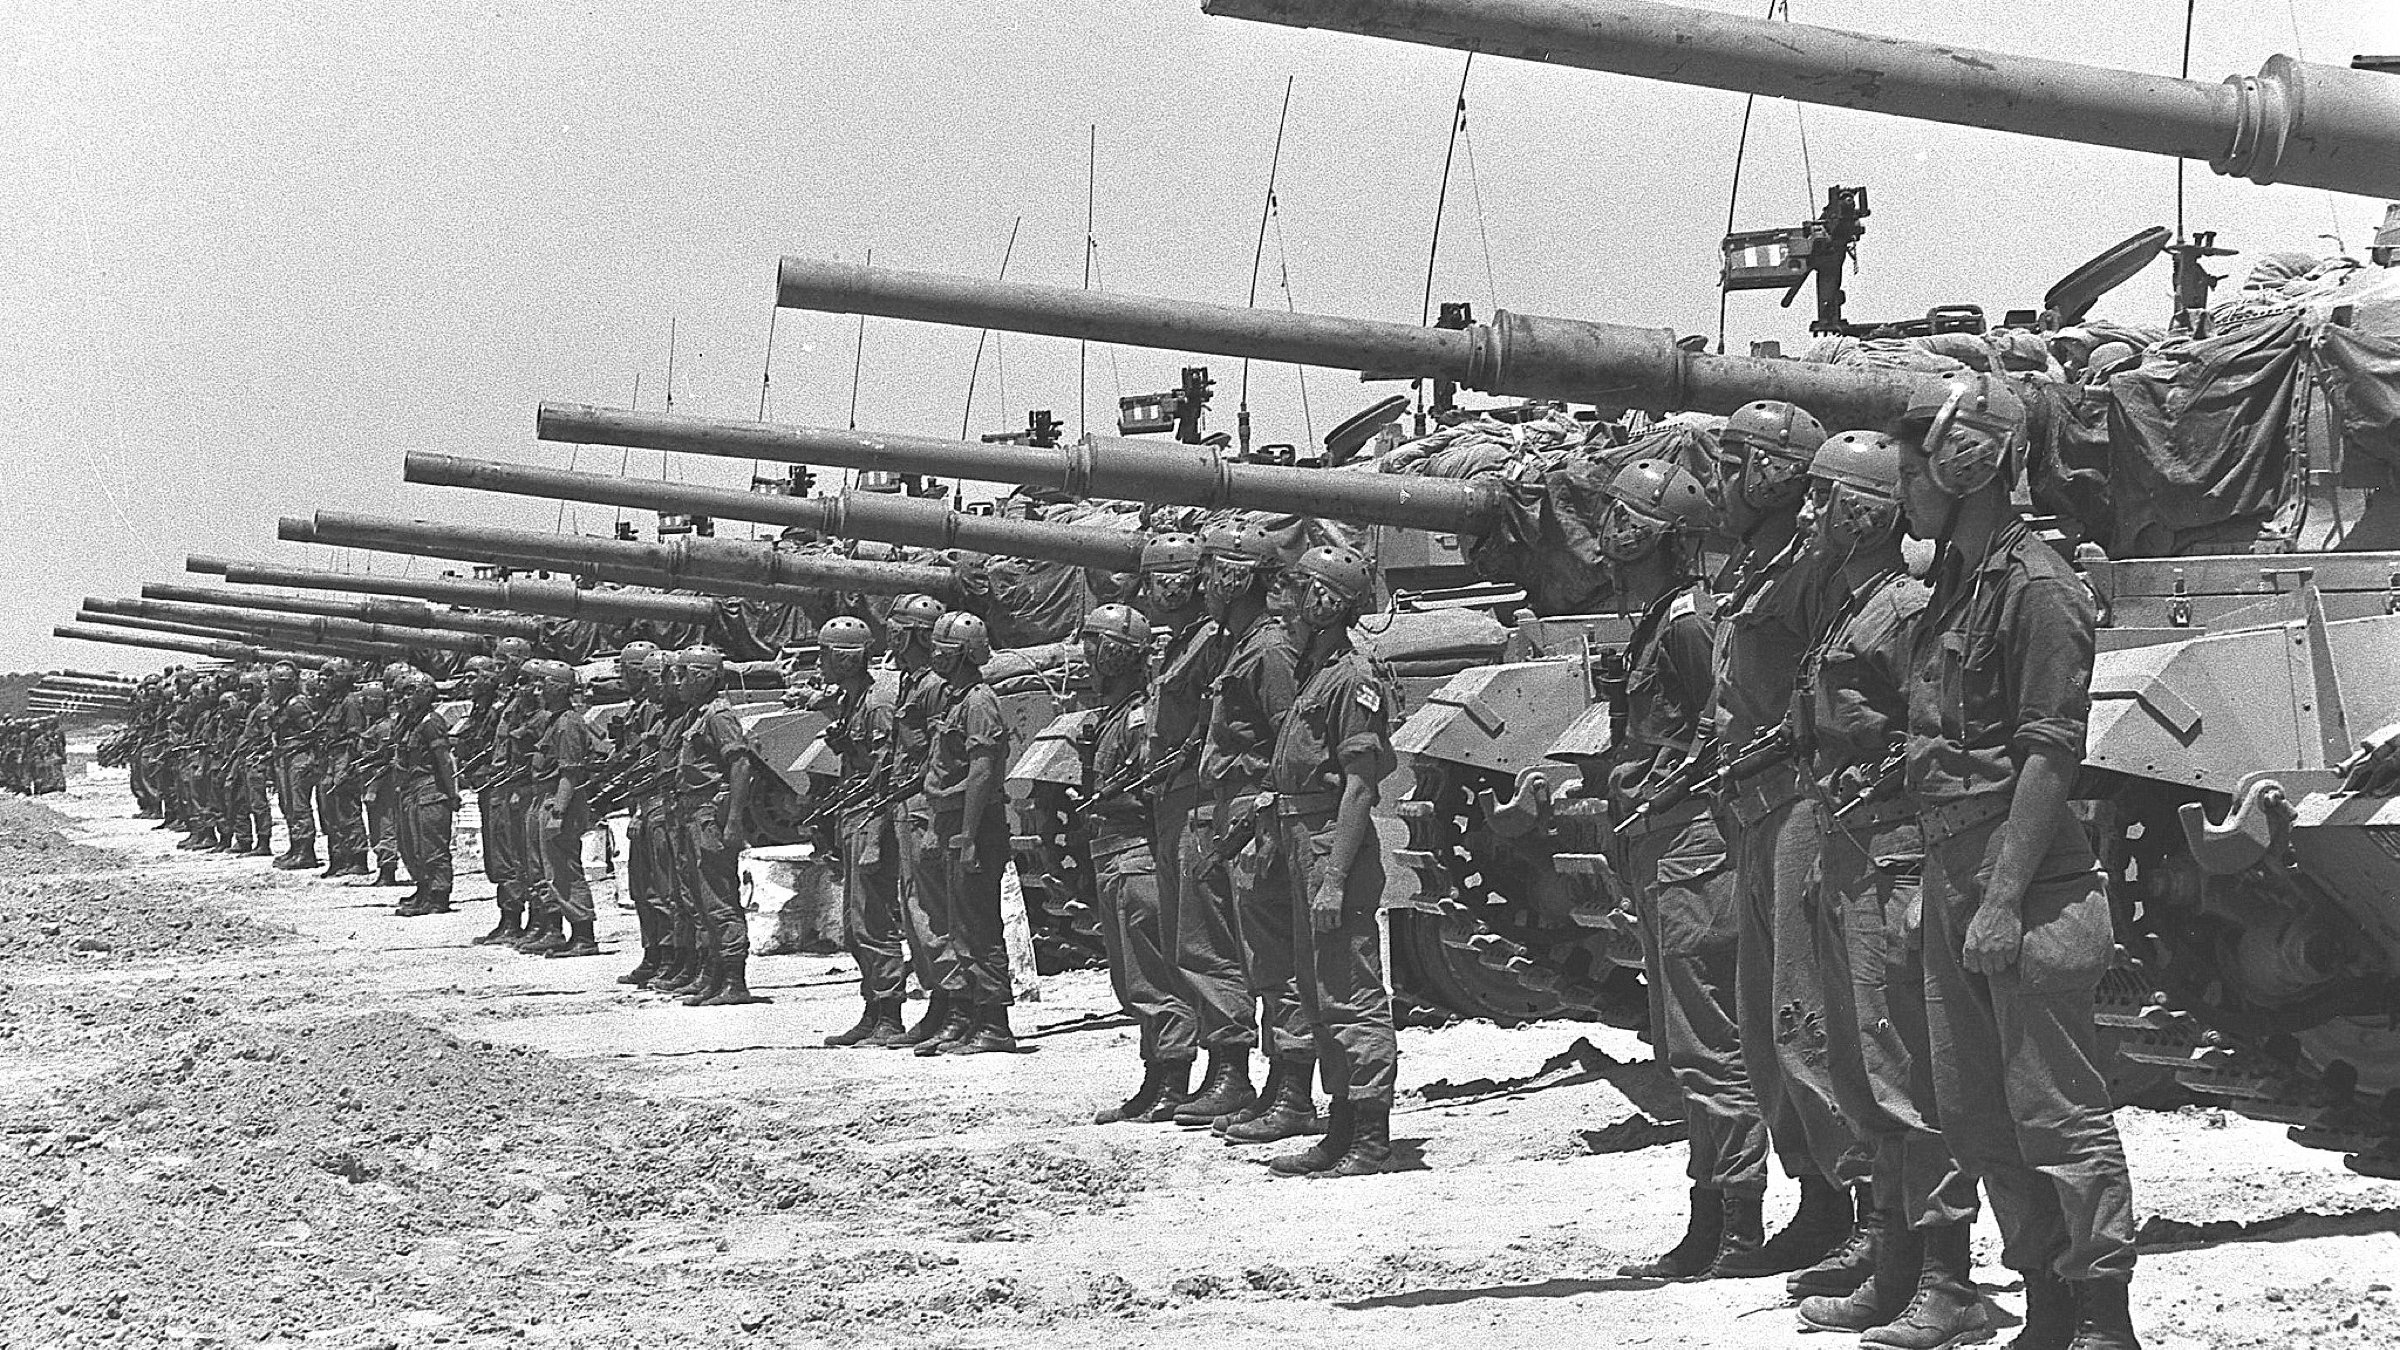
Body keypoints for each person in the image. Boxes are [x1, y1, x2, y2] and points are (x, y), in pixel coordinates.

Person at [1895, 371, 2139, 1350]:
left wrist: (1997, 899)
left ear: (1966, 464)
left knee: (2059, 1113)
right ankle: (2045, 1303)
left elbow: (2049, 755)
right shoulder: (1957, 585)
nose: (1903, 489)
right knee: (1978, 1119)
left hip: (2027, 884)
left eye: (1915, 469)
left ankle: (2103, 1317)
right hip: (1964, 878)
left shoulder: (2038, 587)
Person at [1781, 432, 1981, 1342]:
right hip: (1847, 842)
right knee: (1862, 1068)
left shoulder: (1903, 607)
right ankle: (1896, 1268)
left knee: (1909, 1068)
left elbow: (1940, 730)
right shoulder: (1851, 602)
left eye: (1824, 499)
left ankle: (1947, 1281)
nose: (1809, 513)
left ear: (1863, 513)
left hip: (1895, 849)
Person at [1596, 458, 1771, 1278]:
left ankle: (1736, 1224)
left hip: (1693, 846)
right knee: (1684, 1043)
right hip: (1661, 842)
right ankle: (1712, 1212)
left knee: (1710, 1044)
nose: (1611, 533)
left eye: (1625, 520)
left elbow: (1723, 728)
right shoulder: (1662, 618)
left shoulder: (1688, 624)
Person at [1708, 400, 1870, 1286]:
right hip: (1752, 806)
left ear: (1772, 472)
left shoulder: (1814, 570)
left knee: (1811, 1018)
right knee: (1767, 1026)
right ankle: (1816, 1196)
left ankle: (1868, 1211)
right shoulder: (1756, 568)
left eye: (1734, 466)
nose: (1719, 484)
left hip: (1802, 804)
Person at [1262, 544, 1402, 1179]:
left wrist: (1335, 878)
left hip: (1328, 842)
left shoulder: (1353, 678)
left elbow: (1361, 786)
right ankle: (1342, 1125)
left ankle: (1371, 1136)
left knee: (1351, 989)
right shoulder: (1317, 670)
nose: (1288, 605)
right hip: (1301, 837)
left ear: (1326, 601)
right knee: (1320, 991)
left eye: (1301, 593)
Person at [1199, 522, 1316, 1144]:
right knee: (1261, 958)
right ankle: (1279, 1086)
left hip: (1258, 812)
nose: (1202, 585)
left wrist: (1266, 815)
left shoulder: (1268, 649)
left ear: (1234, 576)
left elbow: (1288, 739)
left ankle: (1295, 1093)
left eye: (1211, 572)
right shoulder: (1241, 642)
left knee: (1280, 957)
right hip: (1238, 810)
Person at [1080, 602, 1192, 1118]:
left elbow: (1151, 794)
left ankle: (1171, 1080)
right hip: (1112, 854)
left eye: (1094, 646)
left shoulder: (1139, 718)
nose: (1086, 656)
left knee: (1153, 977)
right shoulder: (1111, 717)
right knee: (1131, 981)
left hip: (1135, 855)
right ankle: (1155, 1078)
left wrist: (1109, 799)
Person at [914, 611, 1016, 1054]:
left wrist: (969, 835)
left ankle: (995, 1024)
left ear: (962, 654)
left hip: (974, 821)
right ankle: (971, 1016)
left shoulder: (977, 702)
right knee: (959, 926)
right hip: (953, 818)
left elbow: (982, 771)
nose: (934, 654)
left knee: (978, 925)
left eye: (943, 648)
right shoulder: (956, 699)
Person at [814, 617, 912, 1047]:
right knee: (856, 925)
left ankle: (889, 1014)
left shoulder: (876, 705)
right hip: (853, 814)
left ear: (844, 657)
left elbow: (885, 772)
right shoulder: (854, 701)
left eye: (825, 653)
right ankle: (872, 1010)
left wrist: (875, 833)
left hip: (871, 816)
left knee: (873, 919)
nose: (820, 662)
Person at [886, 593, 967, 1046]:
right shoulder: (911, 681)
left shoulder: (934, 686)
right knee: (914, 908)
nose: (890, 636)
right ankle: (940, 999)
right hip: (908, 803)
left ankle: (956, 1003)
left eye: (898, 629)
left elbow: (939, 753)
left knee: (935, 911)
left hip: (926, 804)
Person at [668, 646, 768, 1006]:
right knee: (701, 900)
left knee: (719, 898)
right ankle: (714, 975)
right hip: (692, 814)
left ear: (703, 676)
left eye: (683, 674)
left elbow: (740, 765)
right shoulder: (699, 714)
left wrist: (734, 821)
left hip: (709, 815)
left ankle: (734, 981)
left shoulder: (718, 716)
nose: (676, 681)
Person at [524, 659, 605, 958]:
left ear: (557, 688)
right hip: (546, 799)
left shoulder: (568, 723)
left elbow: (570, 773)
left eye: (541, 684)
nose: (536, 690)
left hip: (559, 803)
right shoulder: (554, 719)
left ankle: (584, 936)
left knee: (565, 871)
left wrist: (558, 813)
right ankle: (566, 932)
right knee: (550, 869)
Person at [391, 672, 462, 917]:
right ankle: (424, 891)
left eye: (410, 692)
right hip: (412, 788)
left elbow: (444, 759)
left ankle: (438, 895)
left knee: (432, 846)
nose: (405, 697)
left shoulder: (430, 722)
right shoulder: (411, 721)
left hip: (430, 789)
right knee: (412, 846)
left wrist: (453, 792)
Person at [315, 659, 371, 879]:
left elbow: (354, 736)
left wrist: (346, 767)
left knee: (347, 810)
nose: (322, 681)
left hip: (343, 759)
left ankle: (357, 859)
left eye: (328, 676)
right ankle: (338, 858)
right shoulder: (333, 703)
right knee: (330, 812)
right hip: (329, 760)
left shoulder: (351, 702)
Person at [267, 663, 323, 872]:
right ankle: (295, 847)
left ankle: (305, 851)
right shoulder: (283, 704)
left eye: (273, 683)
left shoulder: (296, 704)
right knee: (287, 805)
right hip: (286, 758)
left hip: (299, 759)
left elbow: (313, 732)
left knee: (299, 806)